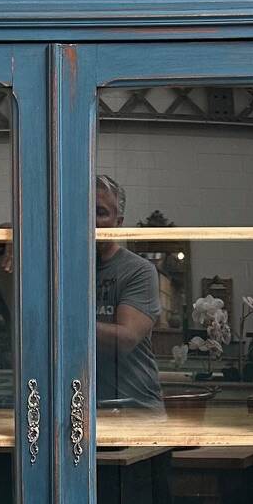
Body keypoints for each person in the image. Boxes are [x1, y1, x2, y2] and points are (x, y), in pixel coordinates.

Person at [95, 174, 163, 410]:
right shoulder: (66, 268)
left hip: (137, 412)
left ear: (118, 221)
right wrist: (9, 234)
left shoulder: (138, 270)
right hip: (86, 415)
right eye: (82, 211)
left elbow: (125, 339)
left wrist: (59, 323)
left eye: (100, 212)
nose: (90, 220)